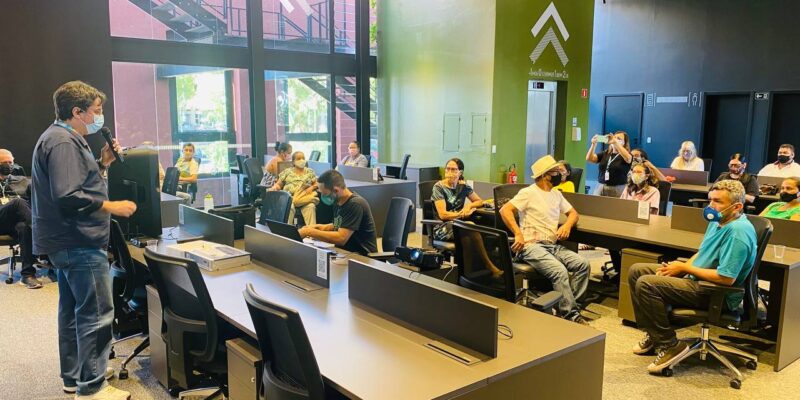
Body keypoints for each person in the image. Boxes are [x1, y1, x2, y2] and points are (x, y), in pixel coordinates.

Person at [32, 81, 136, 399]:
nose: (99, 117)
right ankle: (92, 387)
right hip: (78, 241)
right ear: (77, 111)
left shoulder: (60, 138)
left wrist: (102, 163)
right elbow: (68, 196)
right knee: (96, 313)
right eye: (96, 110)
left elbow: (78, 183)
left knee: (72, 310)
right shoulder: (63, 142)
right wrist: (111, 206)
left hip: (65, 241)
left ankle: (75, 375)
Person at [628, 180, 756, 375]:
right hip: (698, 279)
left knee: (647, 284)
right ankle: (654, 334)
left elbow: (726, 278)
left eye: (718, 201)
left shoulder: (738, 233)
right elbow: (702, 253)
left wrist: (685, 268)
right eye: (710, 200)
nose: (711, 205)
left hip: (716, 292)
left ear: (737, 207)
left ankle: (668, 344)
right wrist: (682, 268)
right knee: (637, 271)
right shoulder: (718, 221)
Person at [499, 155, 591, 324]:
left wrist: (567, 226)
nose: (560, 175)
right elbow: (505, 210)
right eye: (556, 171)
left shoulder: (556, 194)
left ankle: (572, 306)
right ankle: (571, 316)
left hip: (551, 245)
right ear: (544, 175)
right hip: (531, 246)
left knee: (582, 264)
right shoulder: (528, 193)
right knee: (559, 271)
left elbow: (573, 214)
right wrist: (518, 234)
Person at [299, 170, 377, 255]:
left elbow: (341, 238)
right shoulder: (338, 201)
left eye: (325, 194)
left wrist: (309, 232)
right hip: (345, 253)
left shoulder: (355, 204)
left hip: (362, 256)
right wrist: (316, 227)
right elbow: (337, 226)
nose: (322, 197)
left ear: (336, 190)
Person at [0, 149, 41, 289]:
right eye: (4, 163)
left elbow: (36, 203)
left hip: (17, 223)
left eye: (10, 162)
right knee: (18, 202)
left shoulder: (23, 181)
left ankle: (27, 275)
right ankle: (41, 237)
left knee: (23, 226)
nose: (8, 165)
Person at [430, 158, 483, 241]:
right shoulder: (439, 187)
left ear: (460, 172)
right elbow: (443, 215)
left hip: (459, 223)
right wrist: (462, 214)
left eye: (453, 169)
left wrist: (468, 206)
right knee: (470, 228)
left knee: (482, 228)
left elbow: (479, 201)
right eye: (447, 169)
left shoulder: (463, 186)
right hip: (442, 227)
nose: (449, 172)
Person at [269, 151, 318, 226]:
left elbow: (316, 183)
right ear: (293, 162)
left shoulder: (310, 172)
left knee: (311, 206)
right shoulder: (287, 172)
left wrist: (311, 187)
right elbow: (279, 184)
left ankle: (311, 231)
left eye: (303, 158)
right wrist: (275, 187)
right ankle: (288, 229)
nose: (301, 160)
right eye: (298, 159)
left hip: (303, 197)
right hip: (289, 197)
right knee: (289, 207)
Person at [586, 131, 632, 197]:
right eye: (614, 137)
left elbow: (628, 159)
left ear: (624, 143)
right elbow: (589, 158)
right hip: (601, 186)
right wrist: (593, 144)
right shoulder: (606, 153)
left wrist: (615, 142)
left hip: (617, 188)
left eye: (619, 138)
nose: (615, 139)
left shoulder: (627, 155)